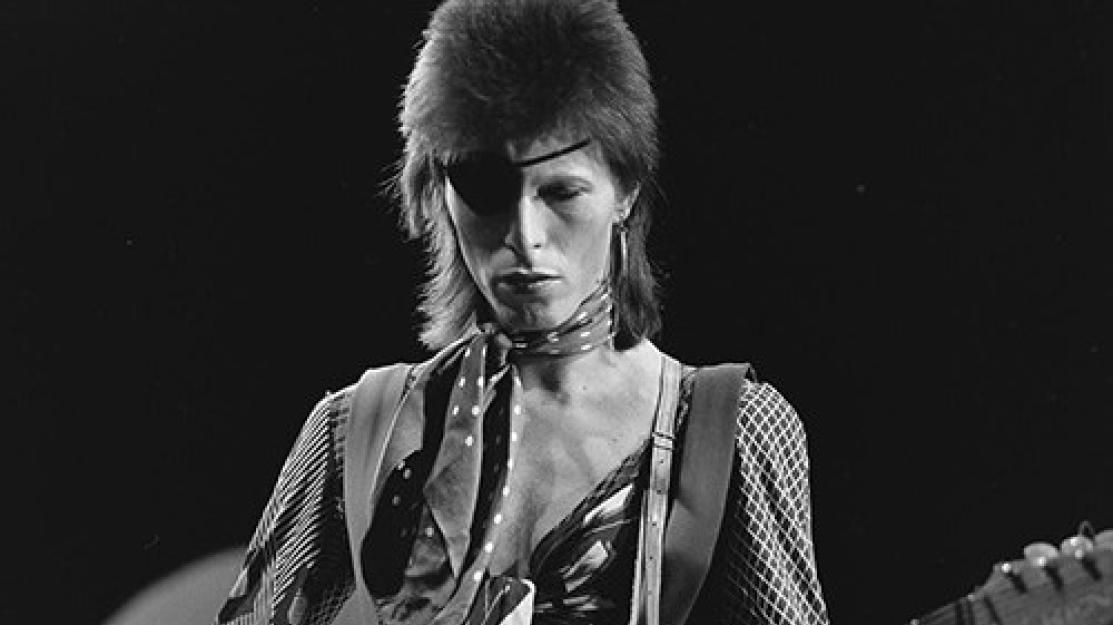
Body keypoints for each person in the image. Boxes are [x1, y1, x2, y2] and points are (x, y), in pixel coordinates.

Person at [215, 1, 828, 624]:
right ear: (438, 195)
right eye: (487, 192)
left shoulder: (732, 428)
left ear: (625, 192)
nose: (525, 237)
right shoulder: (356, 428)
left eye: (561, 192)